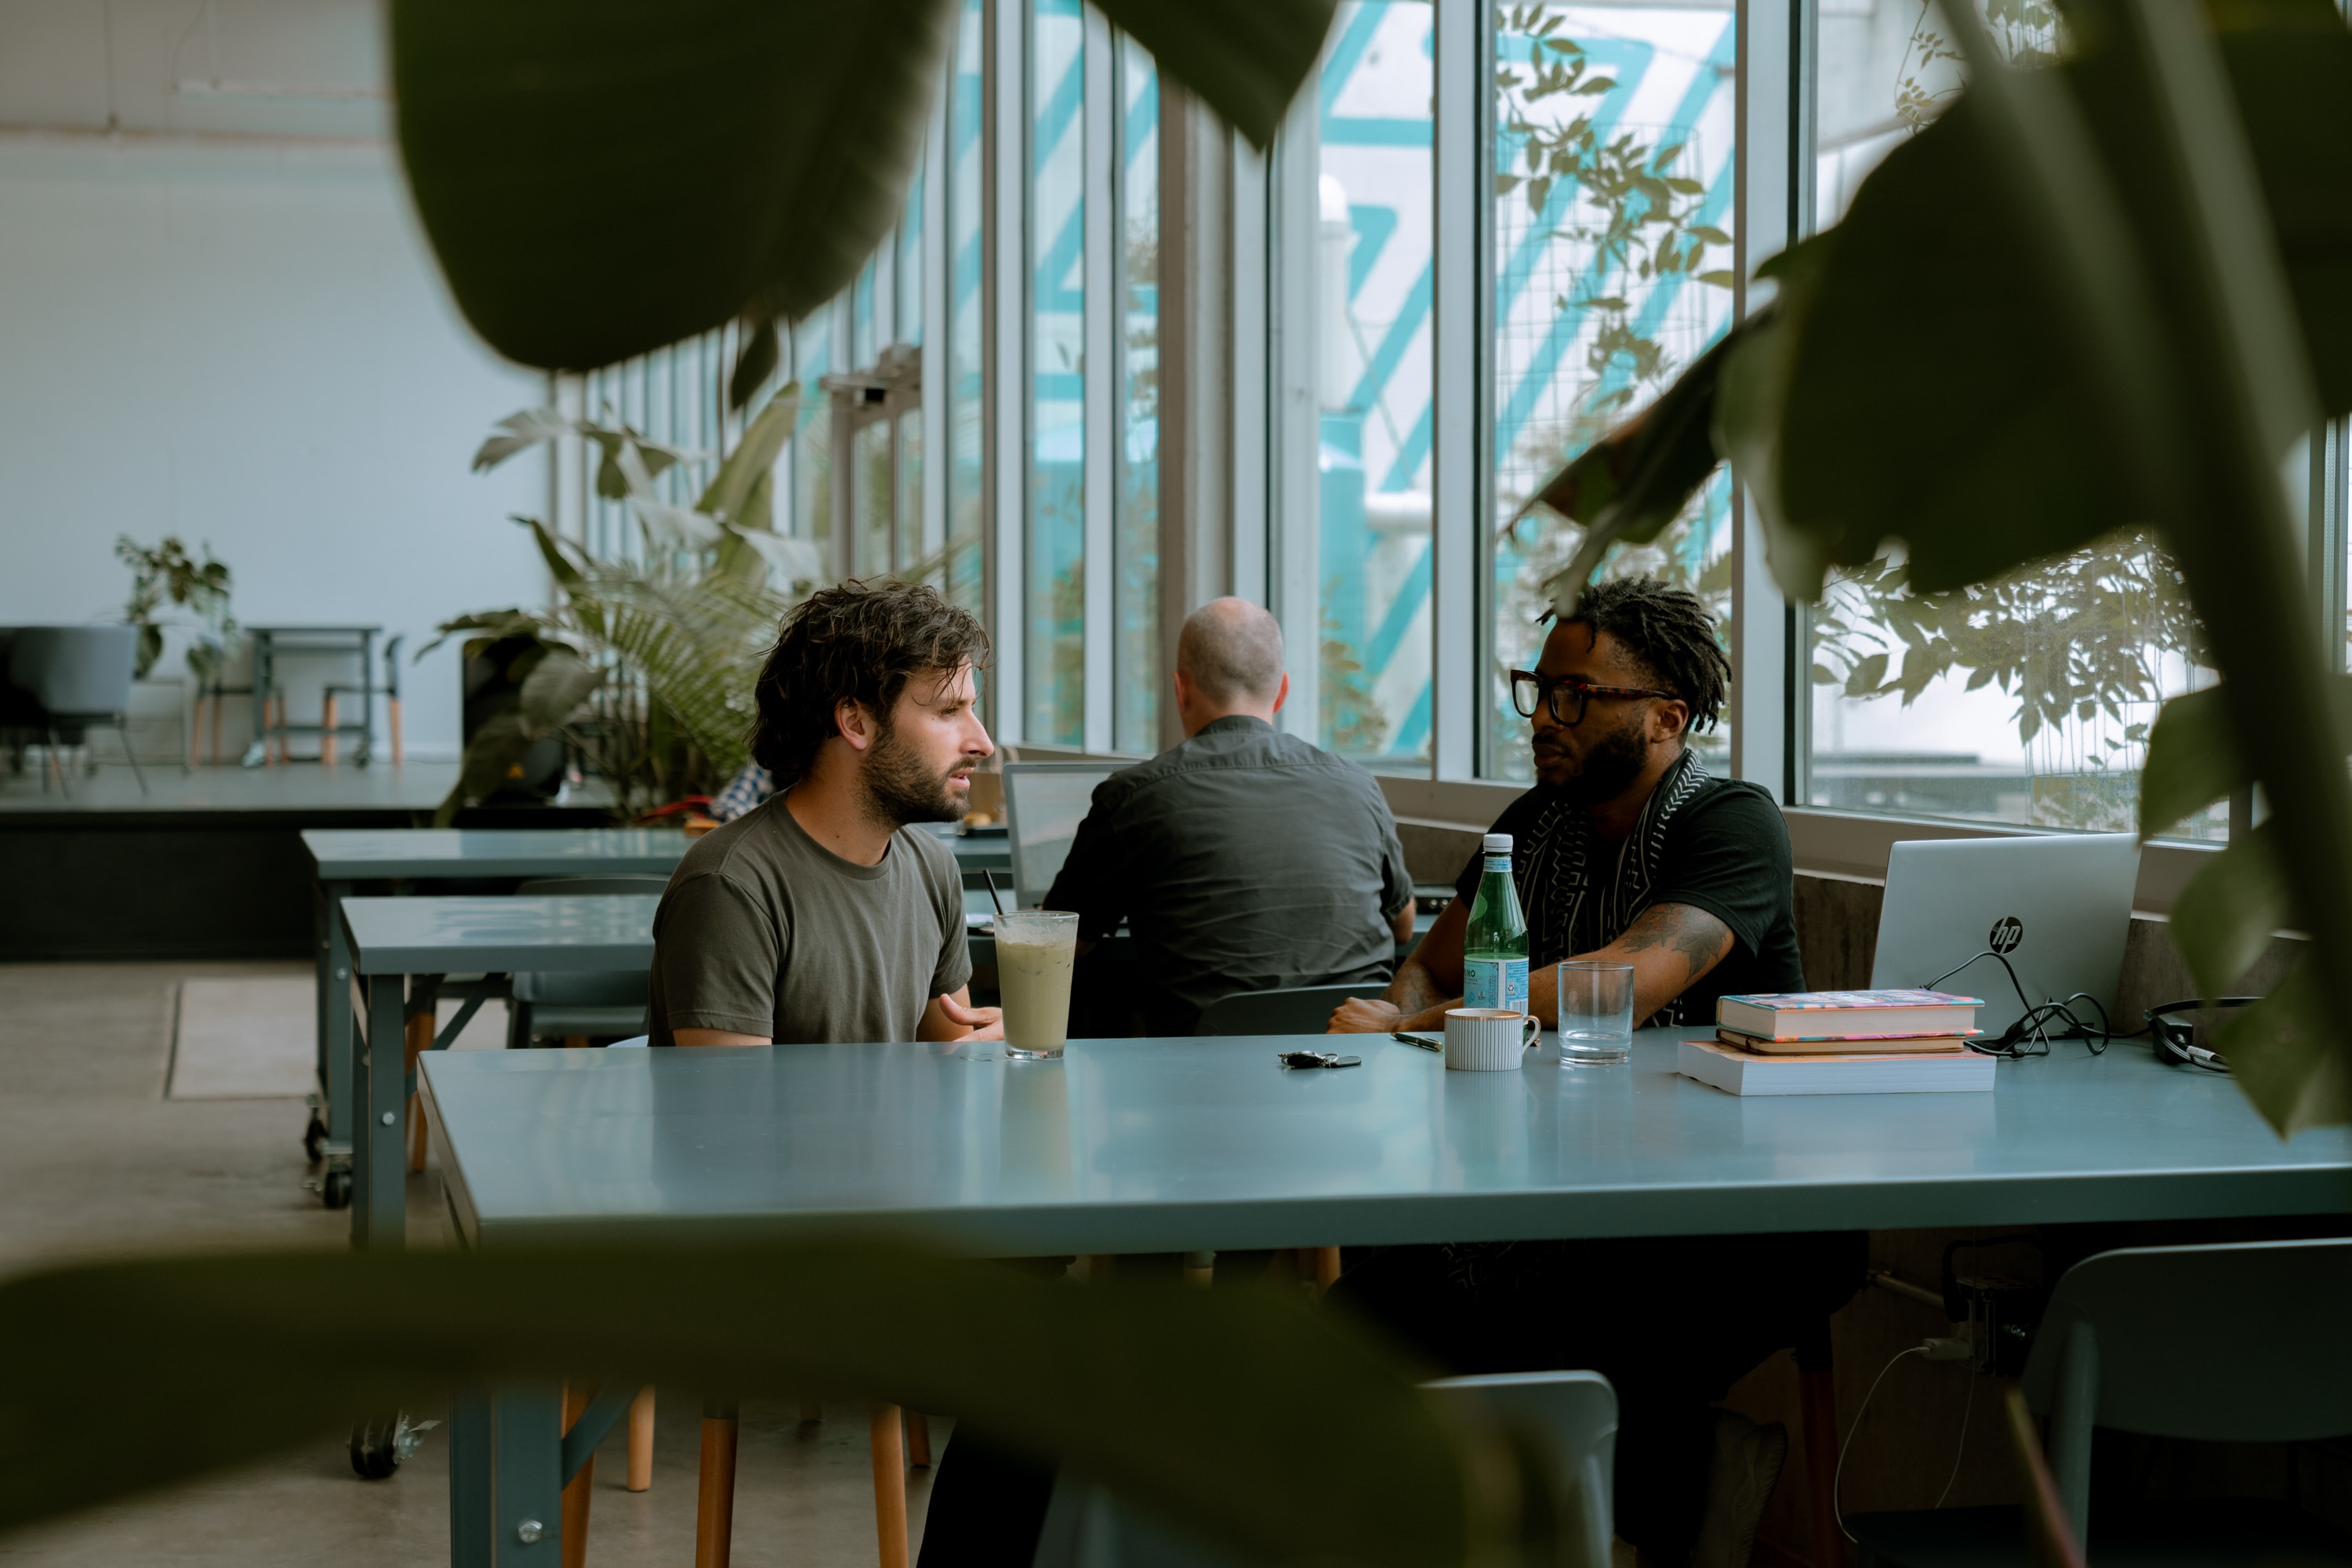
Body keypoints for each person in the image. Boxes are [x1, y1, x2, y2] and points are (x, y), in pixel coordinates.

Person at [1327, 575, 1860, 1568]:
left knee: (1540, 1323)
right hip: (1574, 1189)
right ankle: (1683, 1473)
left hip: (1740, 1207)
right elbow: (1428, 963)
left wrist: (1416, 1030)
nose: (1545, 717)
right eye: (1538, 689)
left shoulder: (1731, 820)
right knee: (1361, 1316)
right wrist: (1390, 1010)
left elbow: (1623, 978)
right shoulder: (1537, 823)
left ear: (1667, 716)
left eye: (1576, 694)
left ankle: (1646, 1500)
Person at [647, 579, 1004, 1050]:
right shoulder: (730, 887)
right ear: (855, 722)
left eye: (971, 709)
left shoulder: (932, 869)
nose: (982, 743)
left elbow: (945, 1059)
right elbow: (734, 1114)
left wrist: (983, 1050)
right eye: (948, 711)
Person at [1044, 596, 1415, 1036]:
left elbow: (1057, 942)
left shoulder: (1134, 796)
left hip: (1206, 1076)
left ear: (1180, 691)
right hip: (1356, 1065)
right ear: (1282, 691)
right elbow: (1403, 924)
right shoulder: (1358, 784)